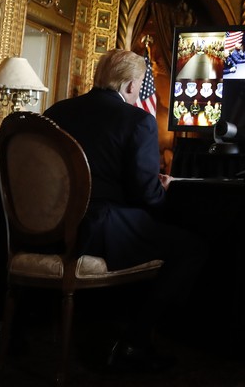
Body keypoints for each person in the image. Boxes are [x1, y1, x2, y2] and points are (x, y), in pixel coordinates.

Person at [44, 49, 207, 372]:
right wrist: (164, 191)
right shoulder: (138, 121)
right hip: (97, 230)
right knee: (190, 247)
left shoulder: (55, 112)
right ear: (133, 86)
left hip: (46, 230)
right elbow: (145, 195)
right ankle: (135, 341)